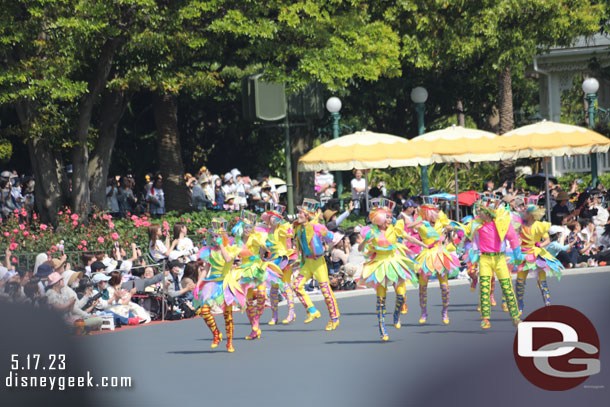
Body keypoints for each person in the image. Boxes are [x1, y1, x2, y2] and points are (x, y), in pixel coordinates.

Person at [359, 198, 423, 340]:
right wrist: (365, 241)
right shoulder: (371, 232)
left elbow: (409, 238)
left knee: (401, 294)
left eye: (390, 217)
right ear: (379, 218)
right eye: (386, 217)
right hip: (379, 264)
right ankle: (382, 328)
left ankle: (396, 315)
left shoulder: (395, 230)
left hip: (394, 262)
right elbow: (360, 248)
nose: (389, 219)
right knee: (381, 298)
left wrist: (424, 245)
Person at [466, 200, 523, 329]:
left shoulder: (502, 224)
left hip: (499, 258)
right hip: (484, 259)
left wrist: (518, 257)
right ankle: (485, 319)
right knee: (484, 288)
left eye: (480, 210)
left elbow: (513, 239)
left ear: (488, 213)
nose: (478, 212)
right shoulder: (476, 224)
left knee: (507, 287)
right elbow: (464, 232)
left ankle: (515, 317)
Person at [193, 220, 243, 352]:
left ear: (223, 237)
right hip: (212, 284)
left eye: (217, 236)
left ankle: (230, 342)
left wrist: (221, 246)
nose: (215, 239)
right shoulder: (209, 252)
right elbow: (205, 270)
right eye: (213, 236)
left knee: (228, 315)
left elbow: (228, 260)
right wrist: (198, 285)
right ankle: (216, 334)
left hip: (226, 283)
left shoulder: (230, 249)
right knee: (204, 310)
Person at [292, 199, 340, 331]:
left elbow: (333, 237)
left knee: (325, 291)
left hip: (318, 263)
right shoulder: (299, 228)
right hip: (307, 263)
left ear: (307, 215)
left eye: (301, 213)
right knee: (296, 286)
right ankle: (312, 310)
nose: (298, 215)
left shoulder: (316, 227)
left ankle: (334, 318)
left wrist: (324, 235)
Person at [233, 211, 282, 339]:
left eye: (250, 227)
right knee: (248, 301)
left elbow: (264, 245)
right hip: (244, 270)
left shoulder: (255, 238)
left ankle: (256, 321)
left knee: (261, 295)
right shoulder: (238, 241)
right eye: (246, 227)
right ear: (241, 228)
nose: (248, 230)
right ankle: (255, 328)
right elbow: (233, 253)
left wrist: (267, 247)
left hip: (257, 268)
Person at [414, 204, 461, 324]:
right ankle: (423, 312)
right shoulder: (421, 224)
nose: (435, 214)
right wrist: (420, 220)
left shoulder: (440, 222)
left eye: (436, 212)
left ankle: (445, 311)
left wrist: (449, 228)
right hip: (426, 255)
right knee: (423, 286)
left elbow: (451, 227)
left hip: (440, 254)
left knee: (444, 286)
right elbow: (408, 226)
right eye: (433, 212)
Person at [515, 204, 564, 314]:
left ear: (532, 215)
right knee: (520, 282)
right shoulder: (521, 226)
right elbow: (516, 238)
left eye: (526, 212)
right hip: (524, 255)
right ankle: (520, 305)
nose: (524, 214)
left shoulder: (539, 226)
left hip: (536, 255)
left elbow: (547, 240)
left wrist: (540, 245)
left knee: (542, 282)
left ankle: (547, 304)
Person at [262, 204, 298, 325]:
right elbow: (263, 250)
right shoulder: (266, 233)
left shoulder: (282, 229)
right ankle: (274, 316)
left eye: (276, 217)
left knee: (286, 285)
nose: (273, 219)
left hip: (284, 260)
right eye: (272, 216)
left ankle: (291, 312)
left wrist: (290, 259)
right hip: (272, 262)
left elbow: (289, 244)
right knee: (273, 289)